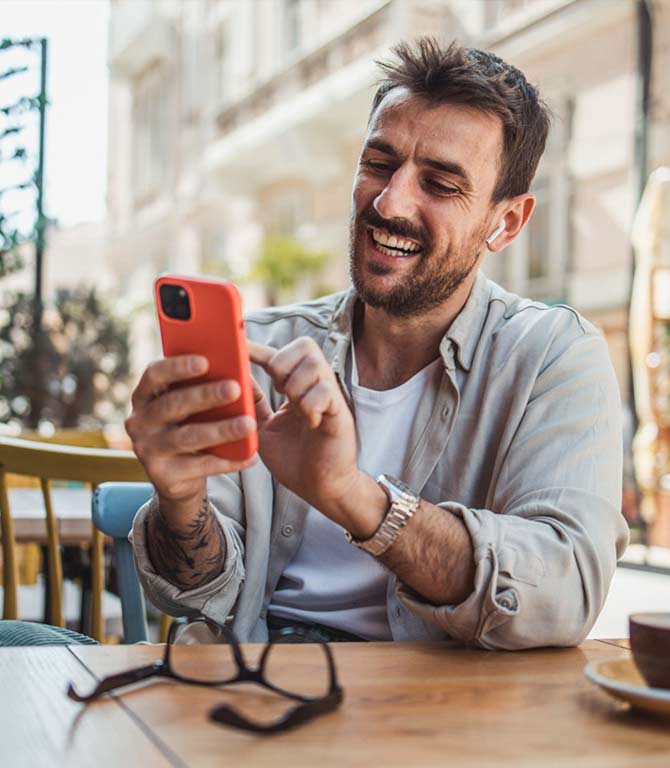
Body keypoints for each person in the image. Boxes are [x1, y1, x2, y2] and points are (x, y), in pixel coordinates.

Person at [127, 38, 629, 650]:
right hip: (260, 687)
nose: (390, 202)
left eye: (441, 184)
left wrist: (352, 495)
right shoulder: (261, 349)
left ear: (506, 222)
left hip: (438, 714)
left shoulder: (553, 356)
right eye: (379, 163)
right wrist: (181, 502)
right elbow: (199, 591)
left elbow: (564, 593)